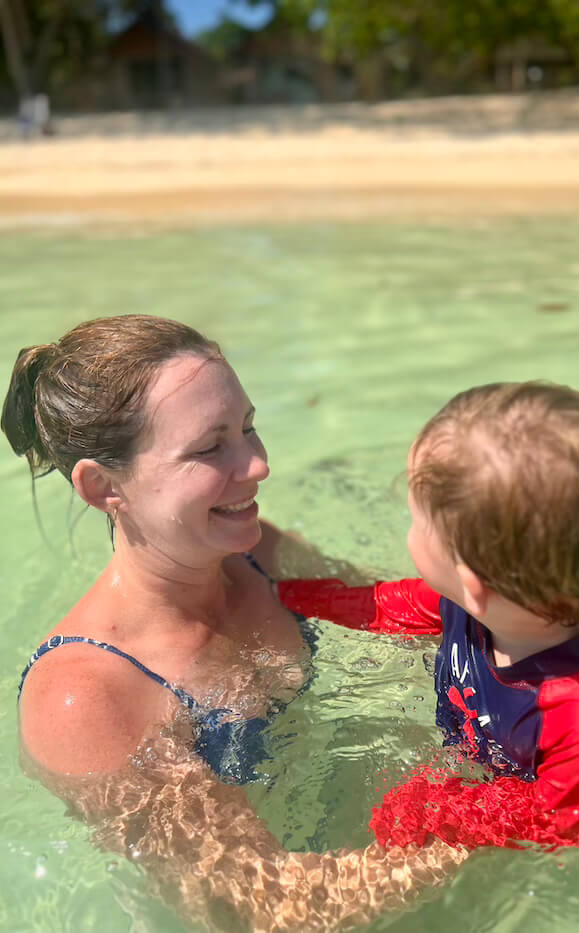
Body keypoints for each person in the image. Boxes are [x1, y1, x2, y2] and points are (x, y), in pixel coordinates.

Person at [2, 314, 466, 933]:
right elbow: (277, 905)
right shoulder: (88, 696)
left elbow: (416, 626)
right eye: (209, 447)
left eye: (248, 427)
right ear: (102, 486)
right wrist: (520, 813)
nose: (257, 466)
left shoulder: (258, 555)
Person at [278, 381, 579, 850]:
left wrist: (448, 810)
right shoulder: (480, 601)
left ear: (472, 581)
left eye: (415, 520)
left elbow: (569, 824)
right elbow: (383, 607)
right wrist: (288, 594)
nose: (409, 532)